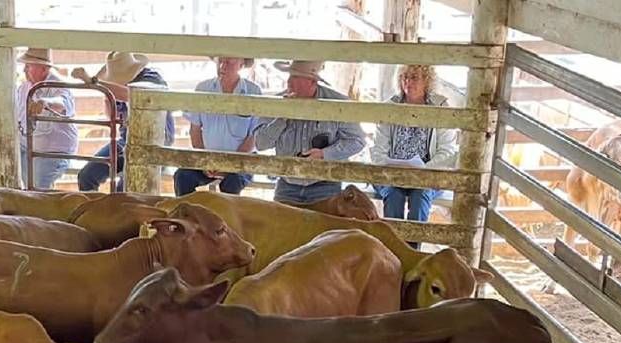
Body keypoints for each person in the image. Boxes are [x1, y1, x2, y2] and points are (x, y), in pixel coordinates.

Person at [252, 60, 365, 205]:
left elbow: (357, 141)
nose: (289, 81)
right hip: (287, 182)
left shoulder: (338, 103)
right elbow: (260, 143)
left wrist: (324, 154)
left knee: (325, 227)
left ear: (312, 81)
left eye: (295, 77)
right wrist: (282, 116)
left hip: (325, 183)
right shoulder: (276, 103)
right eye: (290, 76)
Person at [370, 64, 459, 230]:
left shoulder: (440, 108)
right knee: (392, 194)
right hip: (392, 173)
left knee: (421, 195)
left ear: (427, 81)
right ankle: (394, 246)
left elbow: (447, 151)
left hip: (427, 173)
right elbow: (377, 150)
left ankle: (413, 249)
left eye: (414, 77)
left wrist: (423, 169)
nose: (407, 82)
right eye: (404, 77)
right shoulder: (390, 107)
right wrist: (392, 167)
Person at [73, 51, 175, 192]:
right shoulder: (115, 88)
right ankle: (95, 211)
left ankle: (117, 212)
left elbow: (133, 95)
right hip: (126, 140)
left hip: (155, 143)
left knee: (125, 187)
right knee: (86, 176)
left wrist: (96, 83)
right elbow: (113, 117)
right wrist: (106, 94)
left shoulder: (151, 79)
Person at [174, 57, 265, 196]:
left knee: (232, 183)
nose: (222, 66)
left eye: (229, 62)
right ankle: (185, 214)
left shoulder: (253, 91)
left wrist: (229, 165)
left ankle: (227, 217)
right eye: (220, 61)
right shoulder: (203, 88)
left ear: (241, 64)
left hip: (241, 159)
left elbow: (253, 136)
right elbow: (195, 130)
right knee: (182, 176)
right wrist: (204, 160)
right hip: (207, 157)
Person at [14, 48, 77, 189]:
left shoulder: (59, 86)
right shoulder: (25, 87)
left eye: (28, 66)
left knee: (37, 185)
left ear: (43, 69)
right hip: (26, 145)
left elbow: (63, 103)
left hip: (51, 151)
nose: (24, 70)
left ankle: (36, 208)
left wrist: (46, 102)